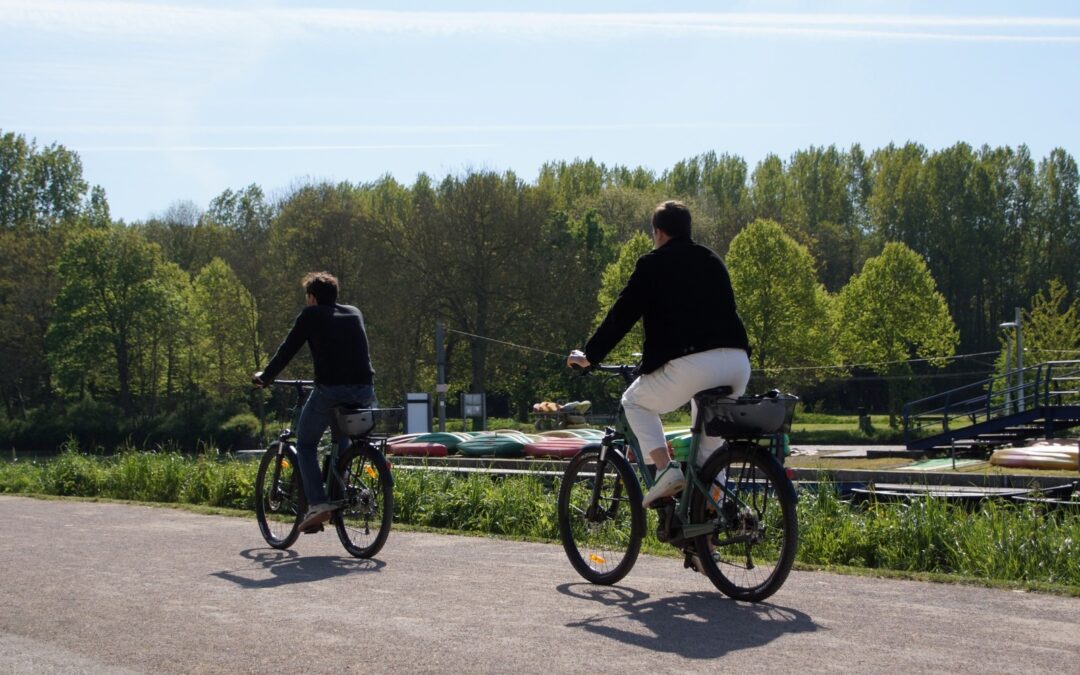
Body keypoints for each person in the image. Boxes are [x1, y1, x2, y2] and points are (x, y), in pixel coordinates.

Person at [567, 201, 751, 507]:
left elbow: (621, 315)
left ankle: (665, 470)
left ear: (659, 232)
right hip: (737, 363)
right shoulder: (713, 260)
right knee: (709, 457)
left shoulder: (653, 263)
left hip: (693, 365)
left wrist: (590, 355)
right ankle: (704, 542)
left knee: (633, 402)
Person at [253, 271, 376, 532]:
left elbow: (287, 349)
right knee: (341, 437)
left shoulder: (311, 315)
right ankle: (339, 490)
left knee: (306, 444)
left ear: (311, 298)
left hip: (330, 391)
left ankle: (318, 504)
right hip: (365, 390)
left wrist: (266, 377)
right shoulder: (355, 312)